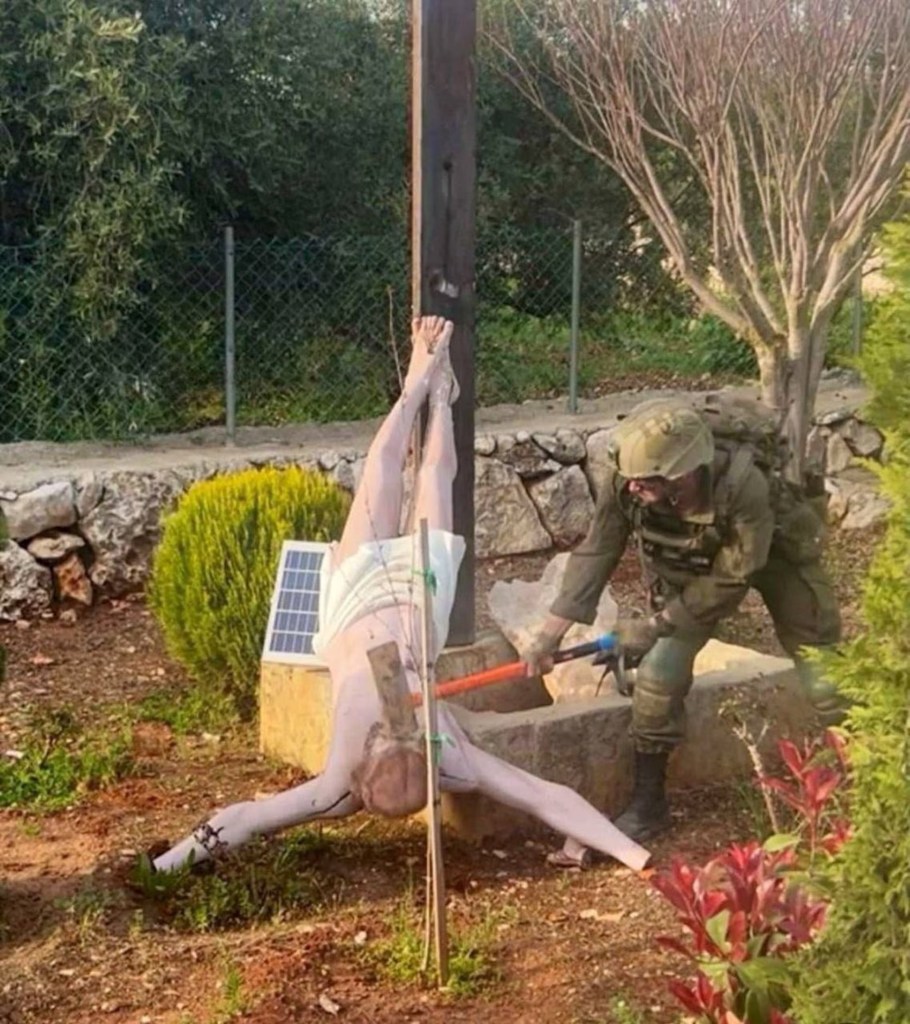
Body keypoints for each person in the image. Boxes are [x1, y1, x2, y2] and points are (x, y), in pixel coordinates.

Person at [152, 316, 650, 875]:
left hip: (352, 604)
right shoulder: (431, 765)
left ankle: (428, 390)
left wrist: (167, 865)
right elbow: (545, 796)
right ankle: (431, 394)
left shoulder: (362, 780)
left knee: (392, 474)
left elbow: (245, 817)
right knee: (428, 475)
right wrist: (635, 857)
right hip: (415, 601)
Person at [526, 397, 843, 846]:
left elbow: (735, 575)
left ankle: (858, 769)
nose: (633, 487)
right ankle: (649, 805)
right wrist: (548, 635)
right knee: (659, 674)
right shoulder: (628, 480)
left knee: (819, 660)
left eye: (645, 480)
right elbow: (597, 550)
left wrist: (655, 624)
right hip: (693, 570)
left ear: (683, 473)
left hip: (773, 555)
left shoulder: (744, 484)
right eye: (631, 478)